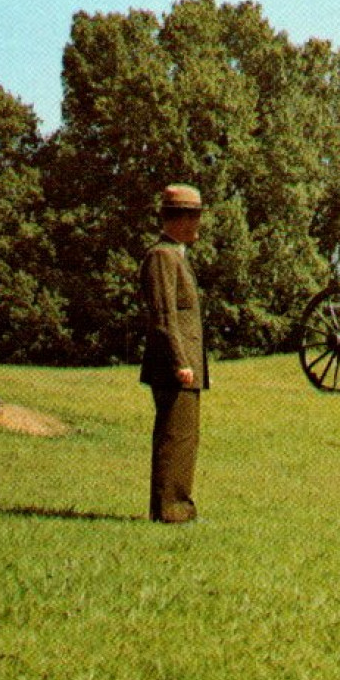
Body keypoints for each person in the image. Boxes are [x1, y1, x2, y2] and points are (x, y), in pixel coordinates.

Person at [139, 183, 210, 523]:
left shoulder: (174, 256)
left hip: (185, 366)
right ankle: (171, 510)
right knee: (175, 438)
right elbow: (164, 315)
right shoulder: (161, 257)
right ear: (178, 219)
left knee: (185, 438)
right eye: (194, 217)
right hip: (175, 366)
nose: (198, 225)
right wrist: (180, 361)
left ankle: (178, 506)